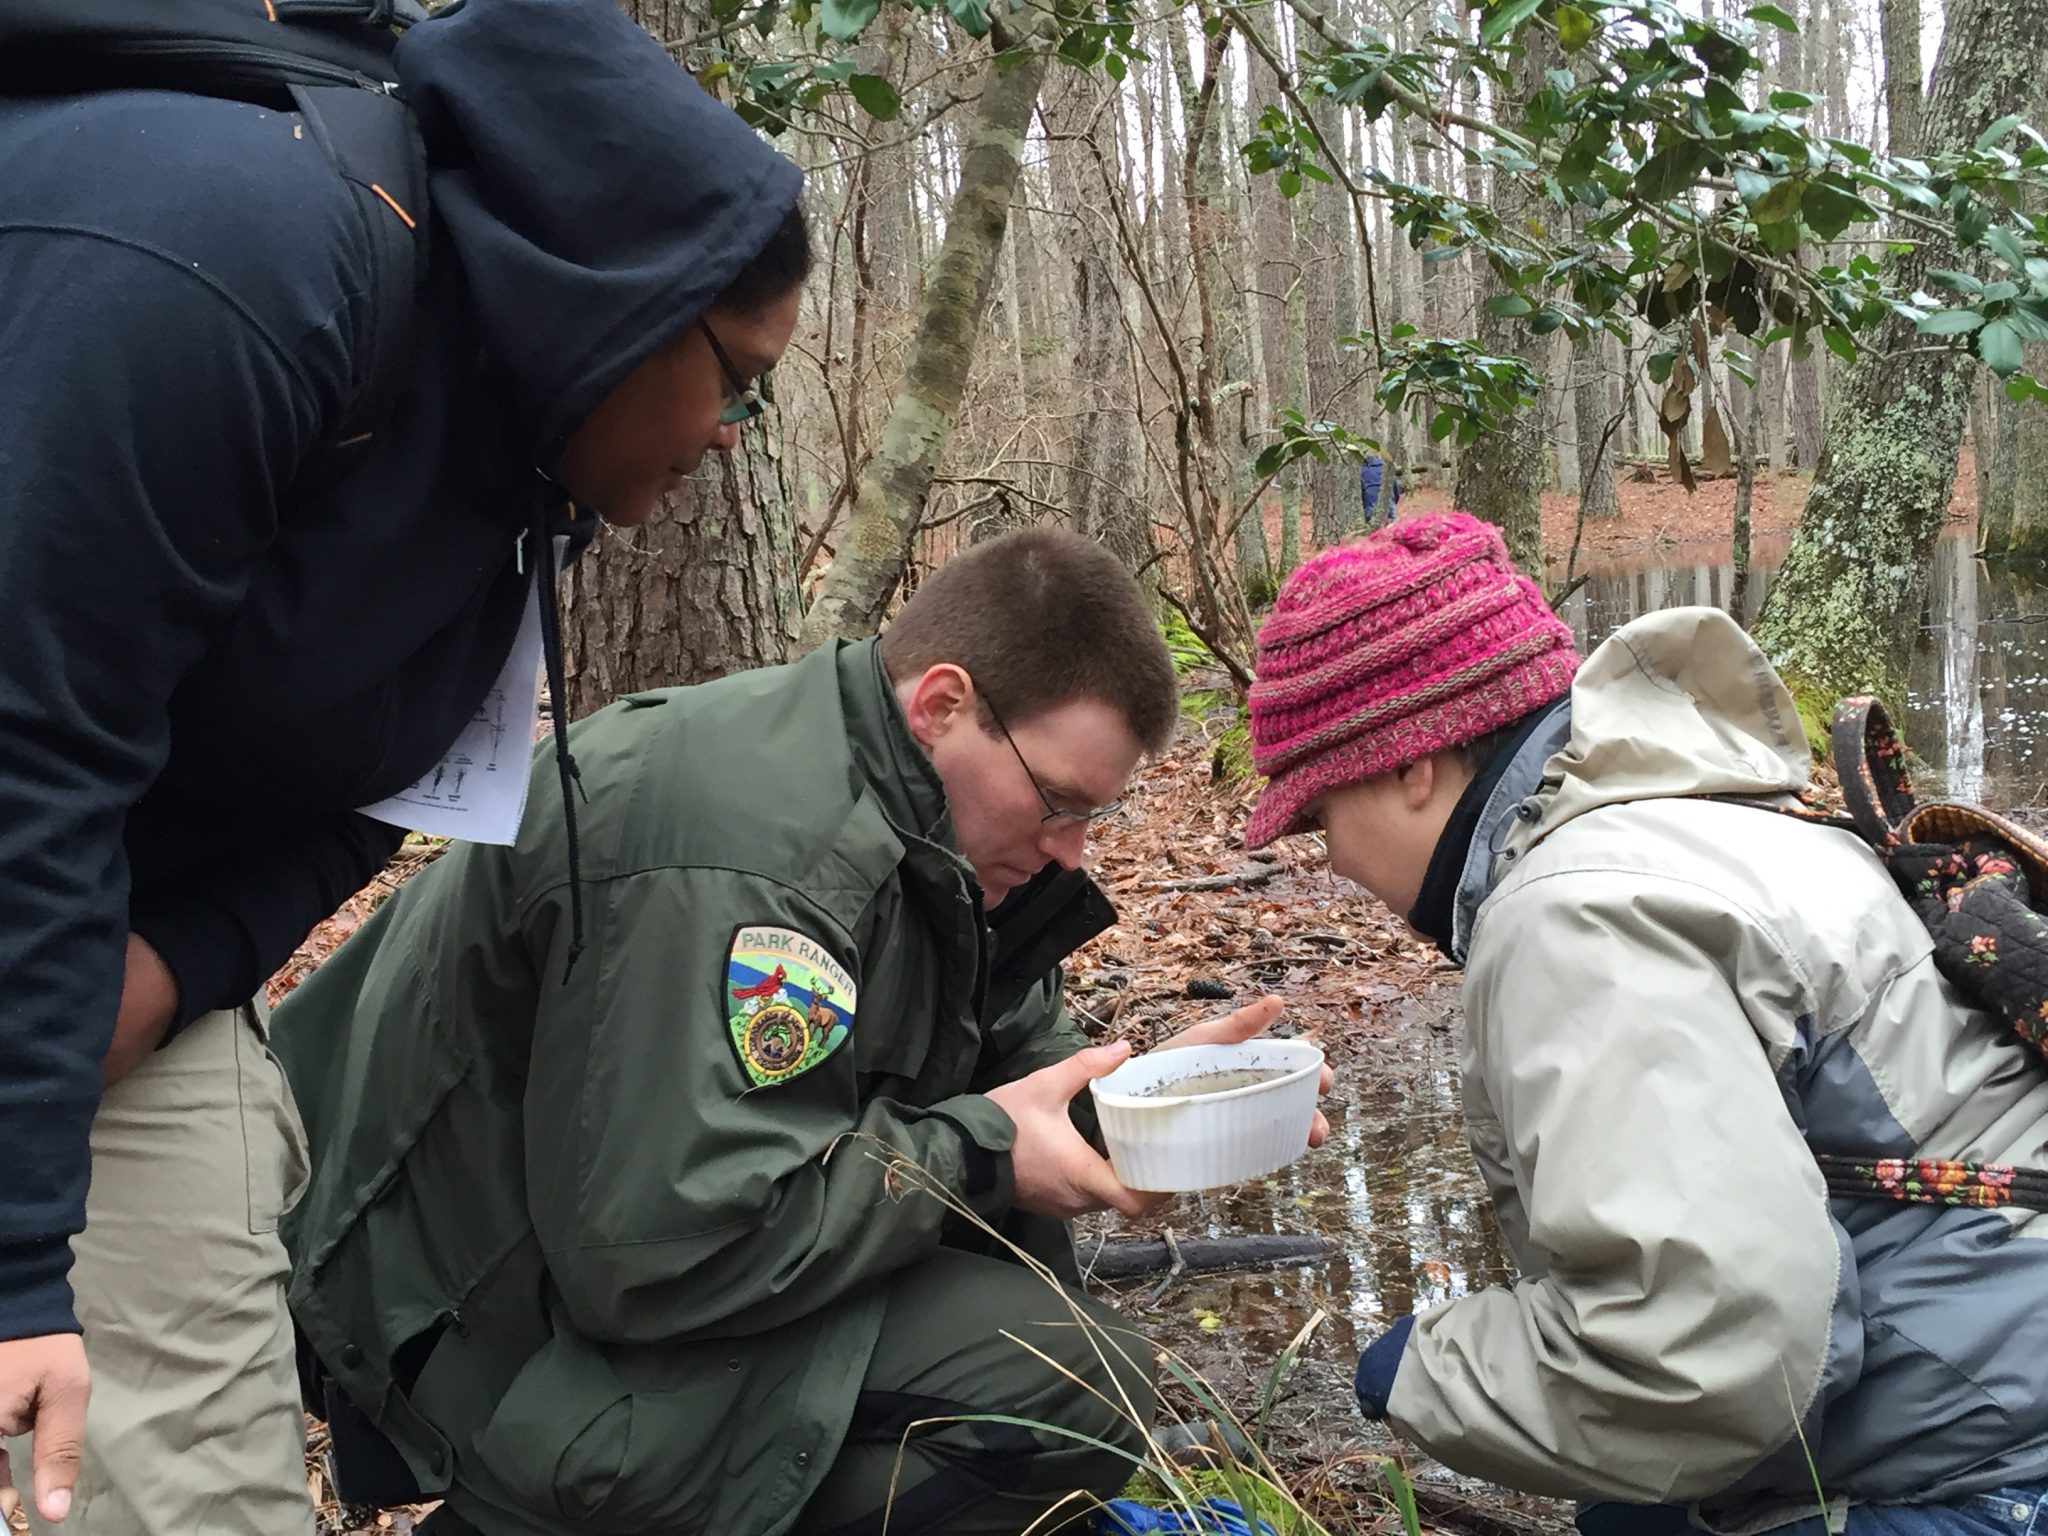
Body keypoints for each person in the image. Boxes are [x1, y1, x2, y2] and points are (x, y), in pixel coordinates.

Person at [0, 1, 810, 1529]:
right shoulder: (237, 258)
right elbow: (32, 739)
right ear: (626, 294)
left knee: (177, 1495)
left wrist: (168, 968)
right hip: (30, 852)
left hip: (93, 953)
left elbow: (393, 789)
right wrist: (14, 1265)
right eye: (739, 379)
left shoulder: (513, 465)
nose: (732, 438)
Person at [272, 528, 1330, 1536]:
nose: (1070, 851)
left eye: (1090, 814)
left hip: (588, 1267)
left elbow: (1010, 1051)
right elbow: (666, 1253)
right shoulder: (747, 856)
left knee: (1044, 1354)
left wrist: (1119, 1108)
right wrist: (980, 1154)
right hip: (470, 1324)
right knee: (1061, 1392)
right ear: (942, 705)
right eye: (1056, 802)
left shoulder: (928, 818)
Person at [1243, 512, 2048, 1535]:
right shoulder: (1706, 814)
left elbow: (1712, 1364)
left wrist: (1422, 1370)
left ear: (1411, 766)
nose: (1333, 862)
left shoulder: (1574, 913)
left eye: (1319, 814)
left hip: (1988, 1476)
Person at [1358, 454, 1400, 527]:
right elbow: (1395, 488)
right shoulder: (1386, 468)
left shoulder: (1362, 471)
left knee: (1372, 533)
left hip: (1370, 505)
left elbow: (1360, 491)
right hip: (1388, 504)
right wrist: (1393, 501)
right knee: (1393, 532)